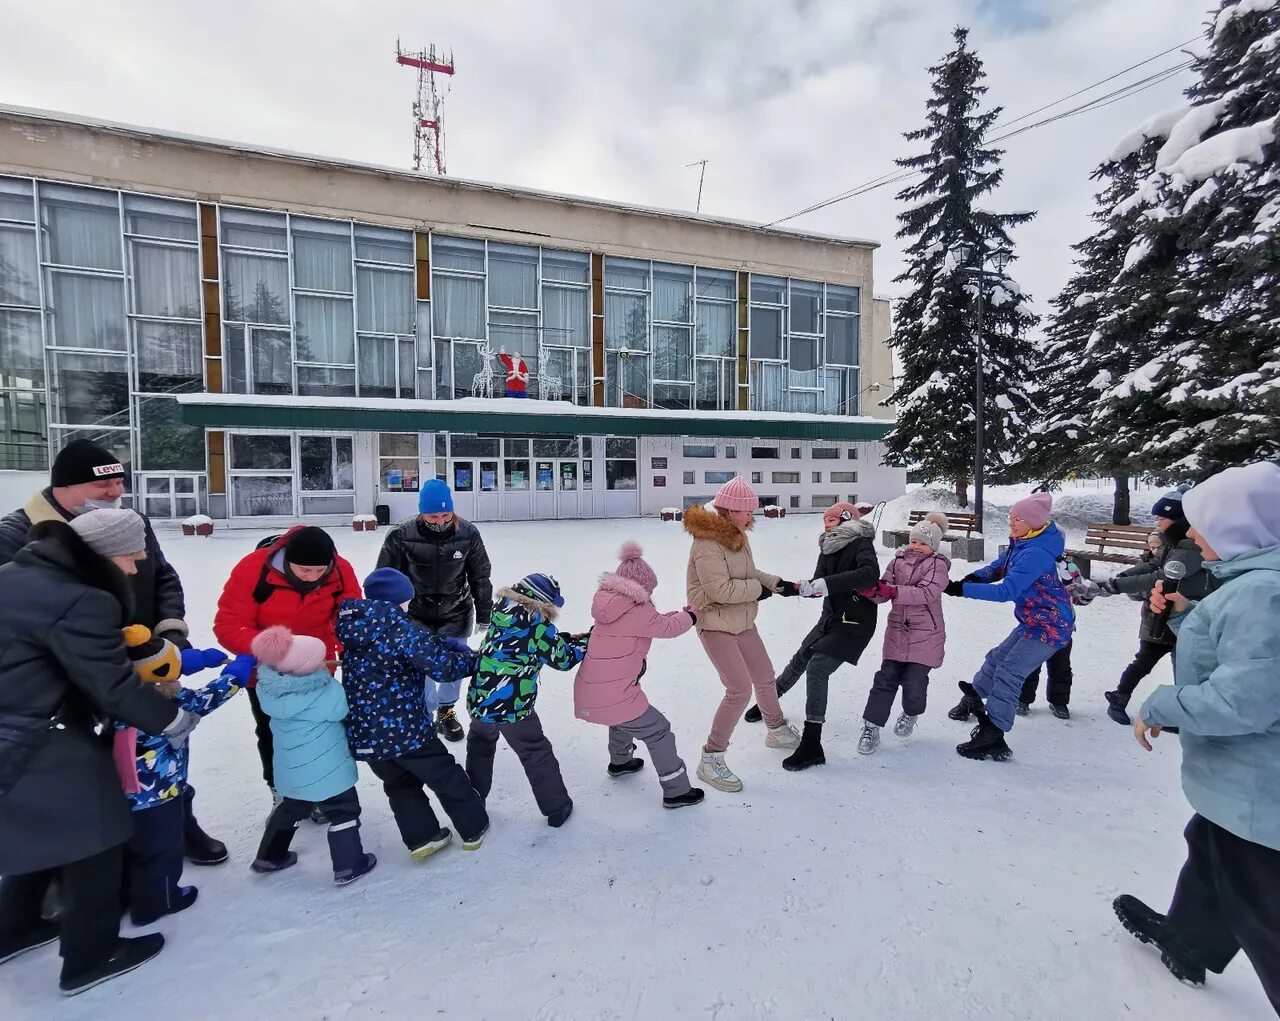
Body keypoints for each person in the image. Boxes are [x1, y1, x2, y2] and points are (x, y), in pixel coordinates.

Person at [0, 510, 200, 995]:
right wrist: (173, 720)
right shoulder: (83, 599)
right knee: (99, 832)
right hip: (38, 730)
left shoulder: (17, 574)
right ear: (105, 552)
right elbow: (111, 686)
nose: (134, 570)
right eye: (132, 559)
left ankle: (15, 927)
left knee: (40, 823)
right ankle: (91, 955)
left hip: (15, 724)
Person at [0, 440, 223, 866]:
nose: (115, 493)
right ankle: (63, 872)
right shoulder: (18, 533)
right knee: (78, 779)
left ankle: (175, 827)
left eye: (120, 482)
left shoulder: (127, 521)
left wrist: (169, 634)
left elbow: (161, 576)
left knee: (158, 754)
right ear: (63, 486)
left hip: (145, 664)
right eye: (102, 485)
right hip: (70, 684)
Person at [1114, 461, 1280, 1012]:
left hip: (1260, 789)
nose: (1192, 535)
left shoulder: (1261, 594)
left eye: (1203, 524)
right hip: (1243, 786)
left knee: (1264, 910)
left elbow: (1245, 700)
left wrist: (1162, 704)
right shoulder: (1250, 587)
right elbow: (1242, 655)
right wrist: (1187, 617)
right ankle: (1189, 942)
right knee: (1208, 851)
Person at [336, 568, 490, 858]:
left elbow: (395, 651)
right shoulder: (402, 628)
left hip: (365, 733)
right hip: (404, 729)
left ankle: (423, 838)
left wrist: (431, 642)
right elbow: (444, 668)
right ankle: (474, 826)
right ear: (399, 600)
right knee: (446, 775)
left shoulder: (354, 626)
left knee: (399, 783)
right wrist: (472, 660)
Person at [214, 526, 361, 805]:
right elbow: (228, 625)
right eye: (304, 570)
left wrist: (352, 654)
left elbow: (350, 620)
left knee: (323, 731)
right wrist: (278, 649)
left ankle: (321, 790)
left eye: (320, 571)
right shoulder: (253, 569)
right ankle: (280, 790)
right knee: (272, 732)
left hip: (317, 669)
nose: (312, 577)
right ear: (286, 560)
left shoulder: (340, 570)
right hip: (267, 675)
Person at [116, 631, 252, 926]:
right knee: (162, 848)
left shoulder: (121, 695)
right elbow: (206, 698)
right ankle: (159, 901)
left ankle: (128, 894)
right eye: (173, 672)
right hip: (157, 793)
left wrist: (196, 660)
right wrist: (235, 674)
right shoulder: (163, 705)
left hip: (125, 791)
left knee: (136, 846)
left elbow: (156, 666)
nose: (178, 678)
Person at [742, 501, 880, 772]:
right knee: (802, 657)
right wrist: (787, 588)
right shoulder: (827, 547)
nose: (826, 525)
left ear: (846, 519)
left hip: (854, 623)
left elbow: (869, 574)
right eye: (824, 521)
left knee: (817, 668)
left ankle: (812, 744)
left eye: (831, 520)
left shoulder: (861, 543)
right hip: (830, 618)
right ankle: (770, 702)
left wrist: (825, 584)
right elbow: (817, 584)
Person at [684, 478, 801, 793]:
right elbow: (719, 590)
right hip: (715, 623)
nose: (753, 516)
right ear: (731, 510)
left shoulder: (737, 536)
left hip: (743, 621)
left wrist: (778, 584)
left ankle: (775, 729)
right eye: (748, 511)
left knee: (764, 676)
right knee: (738, 690)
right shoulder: (707, 543)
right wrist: (759, 591)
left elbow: (750, 574)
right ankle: (711, 757)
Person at [943, 492, 1075, 761]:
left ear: (1034, 522)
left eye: (1018, 519)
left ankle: (994, 733)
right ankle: (975, 696)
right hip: (1033, 619)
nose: (1011, 524)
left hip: (1050, 624)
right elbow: (999, 567)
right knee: (996, 658)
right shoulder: (1024, 541)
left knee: (1010, 670)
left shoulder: (1036, 552)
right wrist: (974, 577)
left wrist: (963, 590)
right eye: (1010, 518)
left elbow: (1007, 590)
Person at [574, 543, 704, 809]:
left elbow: (652, 622)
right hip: (613, 695)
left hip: (593, 692)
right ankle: (677, 791)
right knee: (658, 731)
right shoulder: (637, 610)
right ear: (641, 588)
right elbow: (667, 627)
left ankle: (621, 762)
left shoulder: (610, 605)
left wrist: (671, 615)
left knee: (622, 717)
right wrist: (691, 615)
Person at [249, 627, 376, 886]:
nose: (324, 662)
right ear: (304, 668)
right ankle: (349, 865)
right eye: (319, 660)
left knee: (291, 808)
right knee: (344, 811)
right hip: (328, 770)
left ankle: (269, 856)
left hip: (292, 769)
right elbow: (342, 711)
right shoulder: (326, 692)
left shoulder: (269, 689)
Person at [376, 479, 493, 743]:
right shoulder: (401, 535)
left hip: (456, 611)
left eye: (444, 514)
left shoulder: (468, 534)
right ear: (421, 512)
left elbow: (480, 577)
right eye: (432, 515)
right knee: (423, 667)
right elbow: (385, 577)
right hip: (416, 613)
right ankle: (424, 714)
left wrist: (485, 613)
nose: (439, 521)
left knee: (454, 664)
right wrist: (385, 616)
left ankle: (446, 710)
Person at [465, 573, 585, 828]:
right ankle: (557, 807)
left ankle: (472, 804)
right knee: (534, 750)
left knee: (480, 748)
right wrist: (586, 643)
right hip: (512, 706)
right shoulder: (538, 625)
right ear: (541, 601)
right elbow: (563, 660)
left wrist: (563, 637)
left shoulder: (502, 612)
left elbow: (520, 644)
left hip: (481, 698)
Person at [1096, 487, 1210, 725]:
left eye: (1162, 517)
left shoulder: (1191, 547)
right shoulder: (1174, 542)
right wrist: (1117, 580)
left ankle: (1182, 714)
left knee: (1184, 665)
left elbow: (1161, 575)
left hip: (1182, 614)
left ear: (1180, 519)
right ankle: (1119, 697)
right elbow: (1152, 565)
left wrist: (1116, 586)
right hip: (1162, 613)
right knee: (1145, 660)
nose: (1157, 522)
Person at [857, 517, 949, 756]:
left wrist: (894, 591)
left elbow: (927, 592)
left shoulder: (937, 565)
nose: (917, 546)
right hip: (898, 630)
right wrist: (872, 590)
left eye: (923, 544)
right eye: (914, 541)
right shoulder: (897, 561)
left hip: (926, 632)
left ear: (934, 547)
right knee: (885, 679)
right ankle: (871, 727)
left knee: (914, 681)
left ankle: (911, 712)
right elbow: (885, 588)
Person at [1015, 553, 1098, 721]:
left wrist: (1086, 594)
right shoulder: (1031, 564)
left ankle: (1059, 701)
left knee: (1061, 667)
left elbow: (1078, 597)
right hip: (1036, 626)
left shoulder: (1070, 568)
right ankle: (1023, 699)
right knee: (1030, 664)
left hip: (1062, 627)